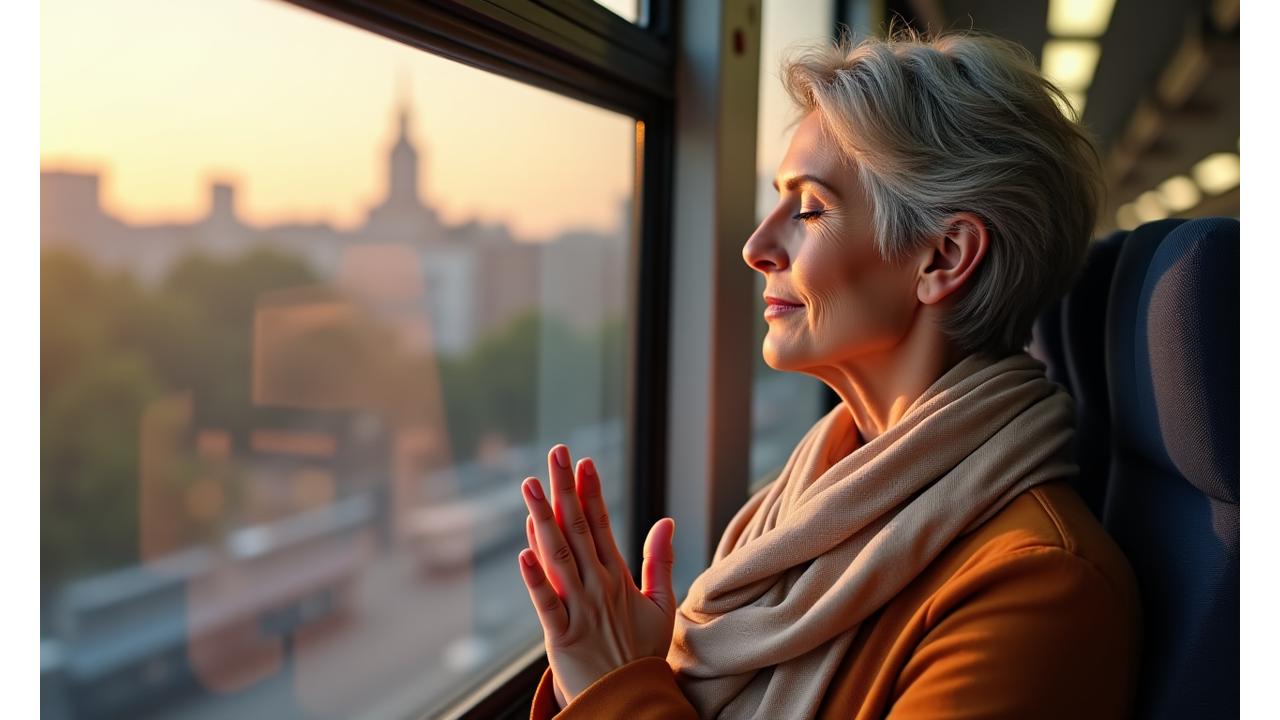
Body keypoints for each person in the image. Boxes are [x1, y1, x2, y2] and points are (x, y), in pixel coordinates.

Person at [516, 27, 1140, 720]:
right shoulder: (803, 504)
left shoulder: (1039, 588)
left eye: (809, 209)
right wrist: (615, 671)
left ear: (944, 256)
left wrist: (619, 690)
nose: (756, 247)